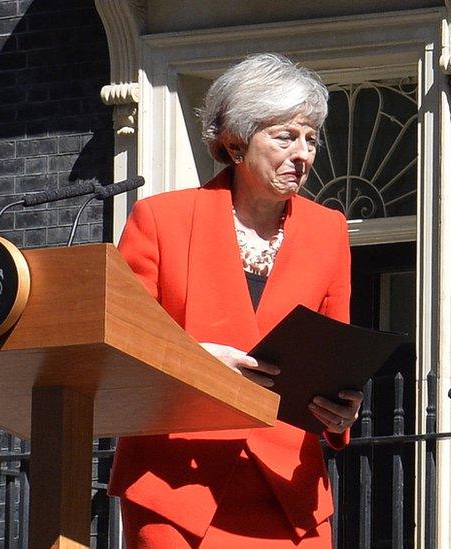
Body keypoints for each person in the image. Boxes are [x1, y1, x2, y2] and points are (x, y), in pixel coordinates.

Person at [107, 53, 363, 548]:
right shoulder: (161, 220)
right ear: (236, 142)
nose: (303, 153)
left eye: (311, 138)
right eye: (285, 136)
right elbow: (121, 344)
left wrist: (343, 410)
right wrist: (197, 362)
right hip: (177, 486)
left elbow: (337, 352)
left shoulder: (327, 230)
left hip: (291, 493)